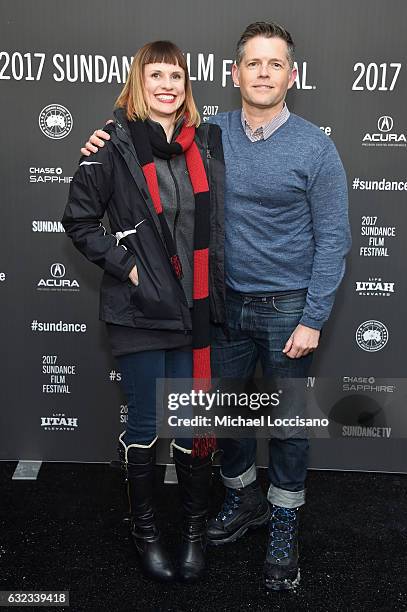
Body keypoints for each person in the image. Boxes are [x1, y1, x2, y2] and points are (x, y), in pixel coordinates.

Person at [81, 21, 351, 591]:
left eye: (274, 64)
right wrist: (103, 142)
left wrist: (313, 317)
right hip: (219, 308)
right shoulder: (208, 133)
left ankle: (283, 524)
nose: (263, 73)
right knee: (221, 421)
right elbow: (142, 149)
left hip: (287, 309)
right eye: (252, 63)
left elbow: (333, 239)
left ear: (291, 75)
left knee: (287, 426)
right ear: (234, 74)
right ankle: (242, 501)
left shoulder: (315, 147)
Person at [62, 40, 225, 584]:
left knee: (188, 422)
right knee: (148, 421)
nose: (166, 85)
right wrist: (129, 266)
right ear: (139, 81)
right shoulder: (112, 145)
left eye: (176, 76)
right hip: (138, 311)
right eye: (156, 74)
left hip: (192, 311)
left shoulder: (201, 142)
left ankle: (194, 534)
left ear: (186, 86)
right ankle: (147, 534)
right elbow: (80, 222)